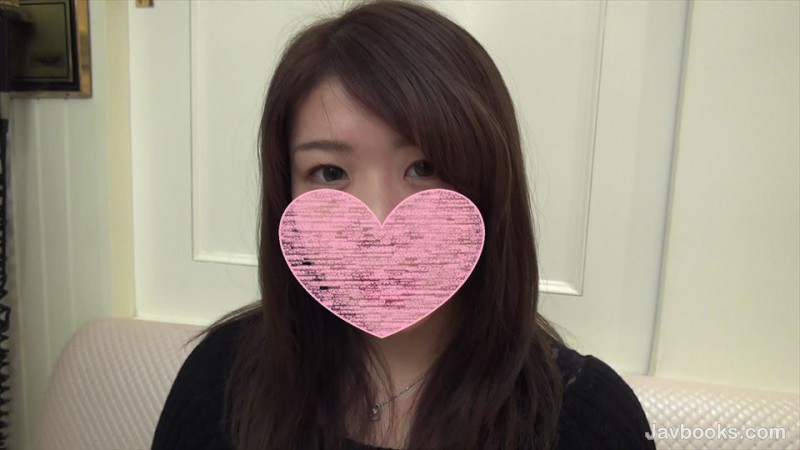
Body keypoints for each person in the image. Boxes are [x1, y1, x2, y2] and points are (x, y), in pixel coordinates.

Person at [152, 1, 654, 449]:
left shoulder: (586, 417)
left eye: (424, 167)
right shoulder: (221, 379)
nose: (377, 217)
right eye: (330, 173)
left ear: (489, 179)